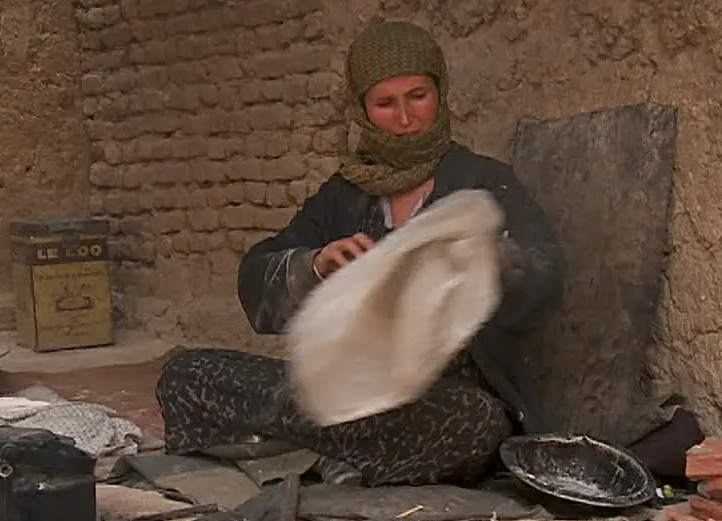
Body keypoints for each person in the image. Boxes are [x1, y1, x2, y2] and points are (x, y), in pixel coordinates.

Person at [156, 21, 564, 487]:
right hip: (347, 388)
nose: (405, 118)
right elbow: (256, 280)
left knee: (475, 426)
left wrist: (492, 258)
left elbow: (548, 281)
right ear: (363, 110)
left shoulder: (485, 183)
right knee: (183, 374)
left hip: (442, 398)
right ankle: (341, 454)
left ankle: (301, 453)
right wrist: (315, 264)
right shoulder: (345, 196)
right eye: (385, 103)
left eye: (418, 96)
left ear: (441, 93)